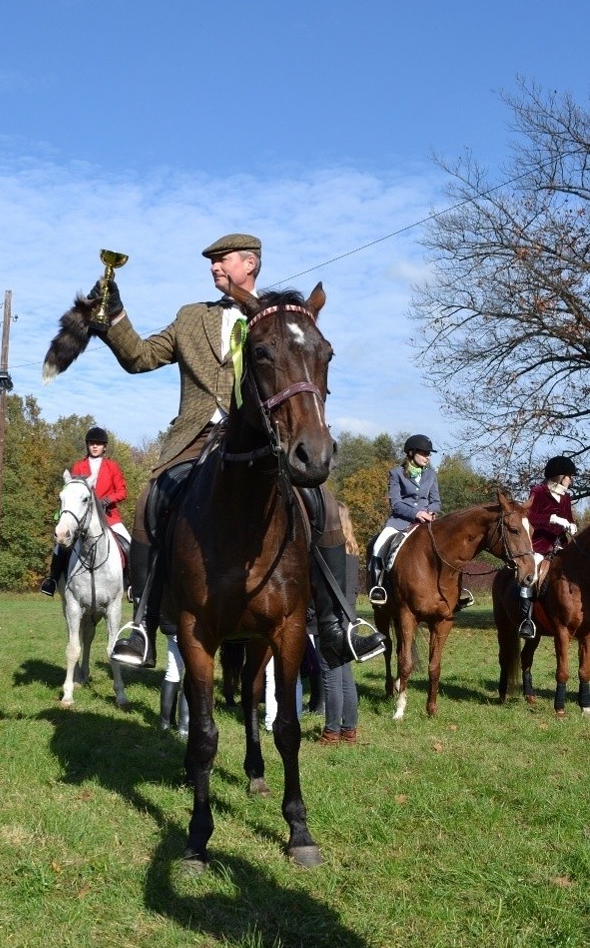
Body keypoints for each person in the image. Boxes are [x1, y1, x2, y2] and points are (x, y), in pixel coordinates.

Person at [88, 231, 385, 672]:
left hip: (266, 441)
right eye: (211, 262)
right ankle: (143, 625)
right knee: (152, 498)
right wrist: (112, 315)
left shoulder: (280, 318)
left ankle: (336, 622)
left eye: (222, 260)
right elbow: (141, 358)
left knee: (321, 500)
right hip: (197, 437)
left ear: (251, 264)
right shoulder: (190, 318)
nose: (213, 267)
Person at [40, 426, 130, 596]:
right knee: (60, 545)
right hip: (83, 519)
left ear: (105, 447)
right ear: (87, 445)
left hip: (109, 517)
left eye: (99, 444)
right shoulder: (79, 466)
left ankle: (132, 585)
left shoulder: (112, 466)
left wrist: (107, 500)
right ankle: (52, 579)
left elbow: (122, 491)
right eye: (91, 443)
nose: (95, 446)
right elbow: (72, 491)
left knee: (128, 543)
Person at [367, 433, 449, 605]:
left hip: (428, 523)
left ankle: (456, 590)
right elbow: (396, 503)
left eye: (429, 454)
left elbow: (436, 501)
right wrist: (416, 513)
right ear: (411, 453)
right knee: (377, 546)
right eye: (424, 453)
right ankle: (378, 588)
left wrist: (432, 512)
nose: (428, 457)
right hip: (400, 522)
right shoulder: (396, 474)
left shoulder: (431, 475)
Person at [518, 455, 578, 639]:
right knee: (531, 576)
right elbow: (528, 518)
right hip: (539, 545)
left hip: (560, 546)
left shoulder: (566, 498)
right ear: (560, 476)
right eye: (569, 476)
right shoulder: (538, 492)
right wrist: (551, 519)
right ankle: (526, 620)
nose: (571, 479)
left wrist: (571, 525)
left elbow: (568, 519)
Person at [317, 502, 361, 745]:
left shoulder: (329, 552)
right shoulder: (352, 550)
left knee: (331, 675)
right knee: (345, 675)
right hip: (349, 618)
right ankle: (349, 730)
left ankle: (332, 731)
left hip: (330, 619)